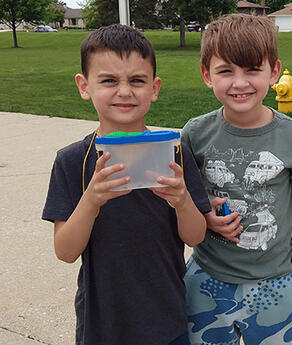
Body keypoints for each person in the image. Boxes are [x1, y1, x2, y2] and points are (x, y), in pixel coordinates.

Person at [42, 24, 211, 345]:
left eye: (137, 80)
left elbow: (196, 236)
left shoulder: (174, 153)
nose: (124, 91)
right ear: (84, 85)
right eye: (108, 80)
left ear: (155, 87)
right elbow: (65, 251)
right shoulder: (72, 161)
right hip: (102, 325)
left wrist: (182, 200)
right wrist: (91, 200)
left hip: (167, 319)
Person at [181, 14, 292, 345]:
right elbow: (185, 204)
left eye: (252, 70)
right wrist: (206, 218)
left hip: (276, 282)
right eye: (226, 70)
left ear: (274, 72)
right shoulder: (194, 134)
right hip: (207, 280)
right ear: (206, 75)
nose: (239, 83)